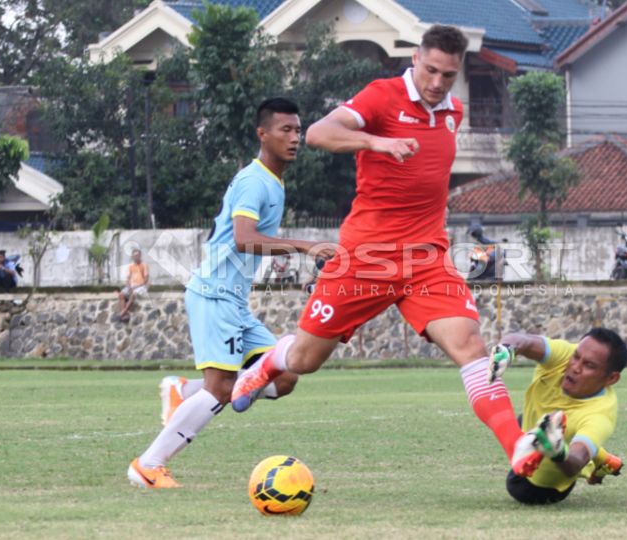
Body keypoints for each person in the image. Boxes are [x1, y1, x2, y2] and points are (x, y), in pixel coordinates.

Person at [231, 25, 552, 477]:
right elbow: (321, 133)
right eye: (431, 70)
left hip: (427, 259)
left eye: (449, 74)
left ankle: (517, 448)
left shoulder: (452, 112)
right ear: (416, 57)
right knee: (305, 360)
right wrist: (376, 141)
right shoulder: (382, 97)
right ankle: (266, 363)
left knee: (471, 347)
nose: (438, 82)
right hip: (366, 256)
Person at [127, 97, 335, 489]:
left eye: (297, 130)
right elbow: (244, 239)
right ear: (263, 134)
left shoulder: (273, 181)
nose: (295, 138)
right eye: (285, 130)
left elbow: (250, 242)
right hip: (214, 295)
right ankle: (148, 466)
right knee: (221, 389)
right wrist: (306, 246)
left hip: (232, 301)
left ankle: (183, 391)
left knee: (285, 375)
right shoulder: (254, 180)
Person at [495, 328, 627, 505]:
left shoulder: (600, 415)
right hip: (537, 425)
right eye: (576, 357)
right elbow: (523, 340)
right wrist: (506, 349)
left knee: (519, 490)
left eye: (589, 366)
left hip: (543, 487)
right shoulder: (565, 354)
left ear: (611, 378)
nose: (575, 367)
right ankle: (601, 459)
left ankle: (580, 452)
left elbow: (574, 463)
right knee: (524, 422)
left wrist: (556, 451)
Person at [117, 249, 148, 322]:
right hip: (131, 285)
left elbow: (146, 280)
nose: (136, 257)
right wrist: (129, 286)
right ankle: (125, 315)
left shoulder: (144, 265)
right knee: (121, 294)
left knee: (133, 294)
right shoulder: (130, 266)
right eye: (134, 256)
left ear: (140, 256)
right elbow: (127, 279)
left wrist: (136, 287)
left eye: (137, 255)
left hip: (140, 286)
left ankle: (123, 312)